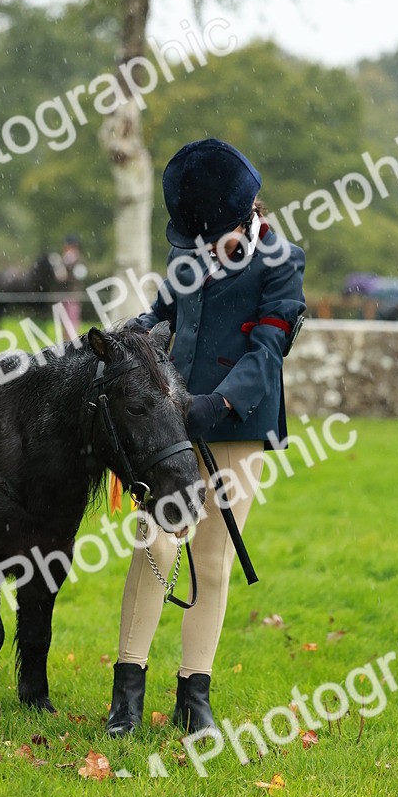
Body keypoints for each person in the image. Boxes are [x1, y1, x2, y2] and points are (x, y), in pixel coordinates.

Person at [106, 138, 306, 737]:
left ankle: (194, 695)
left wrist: (215, 404)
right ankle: (127, 691)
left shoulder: (283, 262)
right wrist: (126, 339)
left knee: (211, 561)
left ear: (246, 216)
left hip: (237, 423)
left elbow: (267, 350)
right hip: (171, 426)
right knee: (155, 544)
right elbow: (162, 315)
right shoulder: (189, 249)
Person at [61, 233, 88, 334]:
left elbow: (79, 275)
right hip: (64, 295)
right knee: (65, 322)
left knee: (72, 320)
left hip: (73, 295)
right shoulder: (64, 259)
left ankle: (73, 339)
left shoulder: (78, 260)